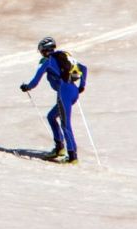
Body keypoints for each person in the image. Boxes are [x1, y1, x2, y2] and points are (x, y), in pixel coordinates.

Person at [20, 36, 88, 164]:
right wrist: (81, 86)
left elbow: (35, 81)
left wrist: (26, 87)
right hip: (72, 90)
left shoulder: (48, 62)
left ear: (44, 51)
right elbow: (84, 68)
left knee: (65, 124)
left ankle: (72, 157)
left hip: (64, 92)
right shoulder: (63, 58)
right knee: (51, 116)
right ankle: (59, 148)